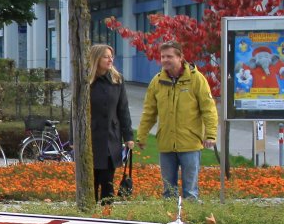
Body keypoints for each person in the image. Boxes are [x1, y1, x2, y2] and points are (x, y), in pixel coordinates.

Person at [136, 41, 217, 201]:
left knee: (190, 192)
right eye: (163, 57)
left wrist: (211, 135)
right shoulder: (157, 81)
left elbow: (208, 109)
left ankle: (190, 215)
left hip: (190, 143)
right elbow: (149, 112)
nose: (165, 60)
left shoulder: (196, 79)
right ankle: (169, 216)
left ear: (180, 57)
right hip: (166, 144)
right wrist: (142, 135)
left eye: (169, 56)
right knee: (168, 192)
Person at [87, 43, 133, 203]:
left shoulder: (117, 80)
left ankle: (107, 211)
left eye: (111, 56)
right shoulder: (86, 81)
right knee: (91, 181)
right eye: (106, 57)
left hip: (111, 138)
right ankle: (88, 212)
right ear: (96, 59)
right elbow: (76, 112)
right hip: (91, 137)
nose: (110, 59)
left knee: (107, 181)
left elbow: (123, 109)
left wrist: (128, 136)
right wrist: (74, 139)